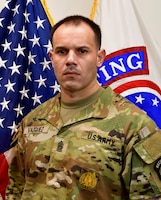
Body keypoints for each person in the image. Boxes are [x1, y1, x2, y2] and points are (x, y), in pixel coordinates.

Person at [7, 15, 161, 200]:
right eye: (62, 51)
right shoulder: (31, 122)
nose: (71, 60)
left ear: (99, 57)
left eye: (81, 51)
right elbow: (15, 192)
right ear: (52, 57)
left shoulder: (134, 126)